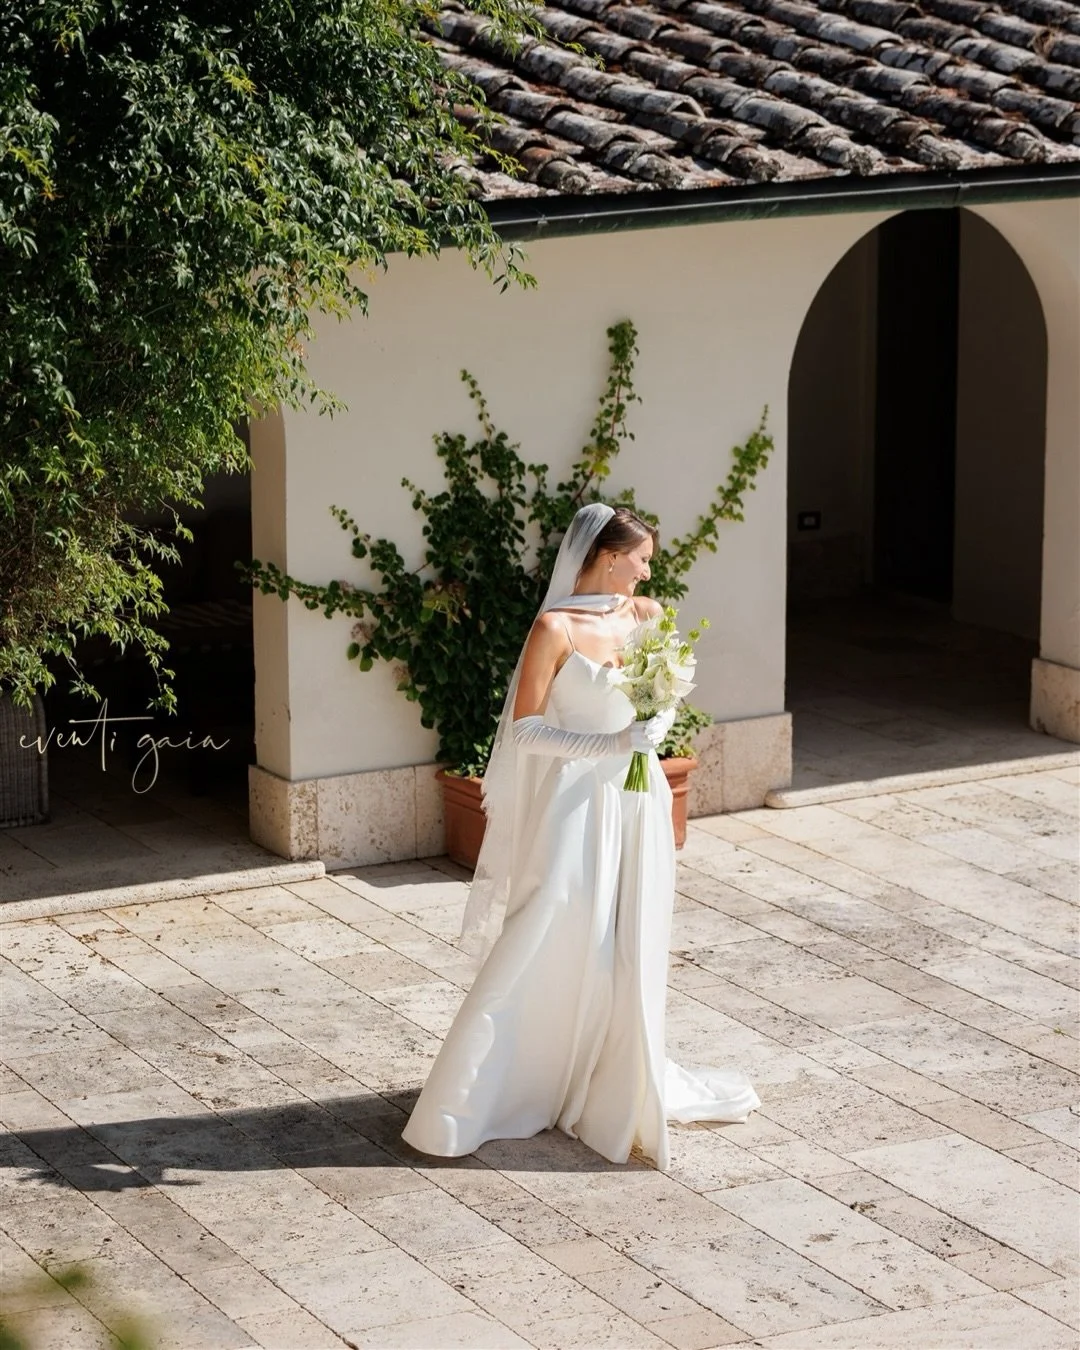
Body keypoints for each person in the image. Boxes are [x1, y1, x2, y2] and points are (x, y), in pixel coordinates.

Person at [401, 502, 759, 1170]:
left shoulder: (645, 616)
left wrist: (655, 725)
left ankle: (613, 1075)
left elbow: (669, 686)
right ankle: (482, 1091)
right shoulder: (555, 627)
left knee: (631, 933)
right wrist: (609, 742)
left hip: (638, 796)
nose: (648, 570)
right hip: (573, 801)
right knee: (549, 923)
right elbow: (527, 731)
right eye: (641, 557)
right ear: (605, 555)